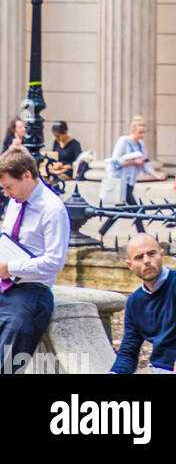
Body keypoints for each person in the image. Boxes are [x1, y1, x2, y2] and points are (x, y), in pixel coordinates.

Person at [0, 147, 70, 373]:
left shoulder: (52, 209)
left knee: (10, 351)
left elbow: (55, 261)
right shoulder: (14, 202)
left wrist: (10, 268)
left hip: (32, 290)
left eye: (8, 186)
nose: (6, 194)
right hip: (5, 284)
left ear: (27, 176)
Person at [110, 233, 176, 375]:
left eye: (151, 254)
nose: (147, 261)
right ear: (130, 265)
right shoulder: (135, 302)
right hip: (159, 368)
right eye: (139, 257)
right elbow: (128, 351)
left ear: (161, 255)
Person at [100, 116, 157, 237]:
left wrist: (157, 175)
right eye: (140, 132)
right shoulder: (123, 141)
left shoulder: (141, 145)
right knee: (136, 210)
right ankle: (143, 236)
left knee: (120, 210)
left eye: (143, 132)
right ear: (133, 130)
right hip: (120, 181)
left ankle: (100, 233)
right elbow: (115, 162)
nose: (142, 135)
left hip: (130, 182)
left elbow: (145, 164)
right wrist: (133, 162)